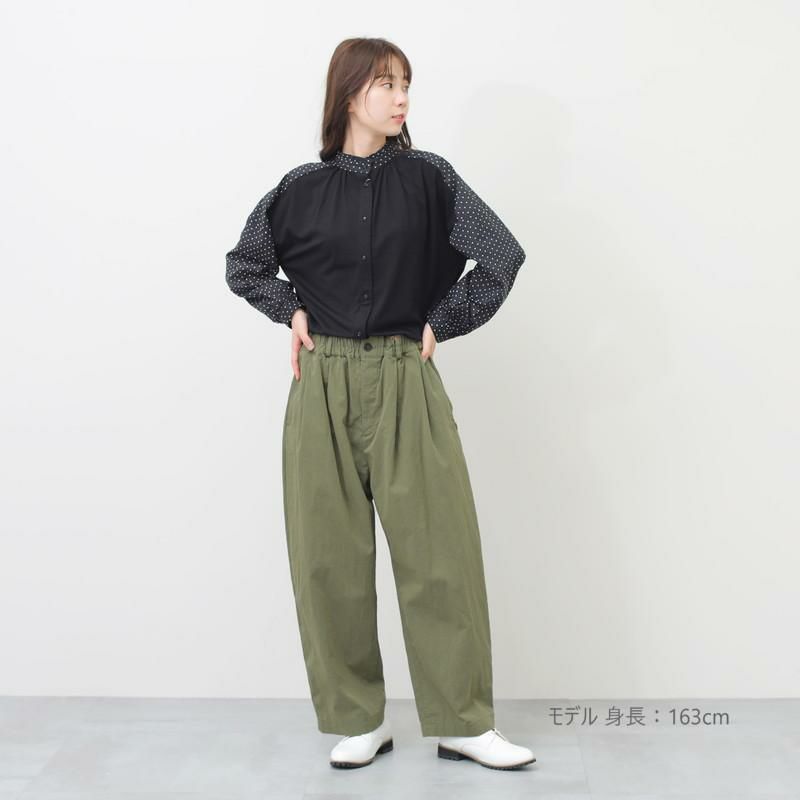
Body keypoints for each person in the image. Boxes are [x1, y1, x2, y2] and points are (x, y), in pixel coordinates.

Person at [225, 37, 535, 772]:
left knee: (440, 554)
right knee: (327, 558)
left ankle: (463, 721)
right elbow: (244, 265)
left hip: (404, 376)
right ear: (348, 95)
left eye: (405, 85)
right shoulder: (298, 190)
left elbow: (502, 255)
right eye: (386, 84)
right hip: (322, 383)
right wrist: (291, 310)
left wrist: (442, 321)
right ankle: (358, 719)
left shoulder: (430, 178)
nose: (401, 99)